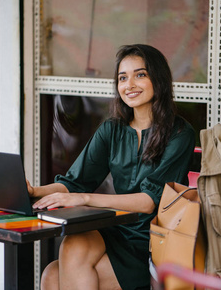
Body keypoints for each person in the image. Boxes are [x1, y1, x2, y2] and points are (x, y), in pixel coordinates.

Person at [27, 44, 195, 290]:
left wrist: (83, 199)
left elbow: (149, 201)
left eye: (140, 75)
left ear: (158, 80)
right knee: (61, 259)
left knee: (54, 276)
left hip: (152, 242)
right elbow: (75, 181)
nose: (130, 85)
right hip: (116, 228)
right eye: (122, 78)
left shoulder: (179, 133)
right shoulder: (112, 129)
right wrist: (35, 191)